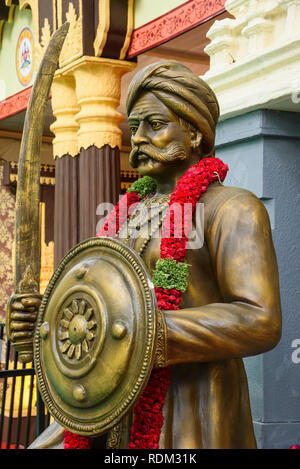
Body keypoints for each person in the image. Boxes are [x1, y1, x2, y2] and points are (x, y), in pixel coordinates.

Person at [10, 61, 282, 449]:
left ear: (193, 132)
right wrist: (43, 325)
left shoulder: (233, 208)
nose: (137, 138)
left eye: (154, 125)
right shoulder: (125, 213)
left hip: (190, 409)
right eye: (133, 127)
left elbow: (260, 319)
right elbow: (97, 307)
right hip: (109, 410)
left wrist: (147, 333)